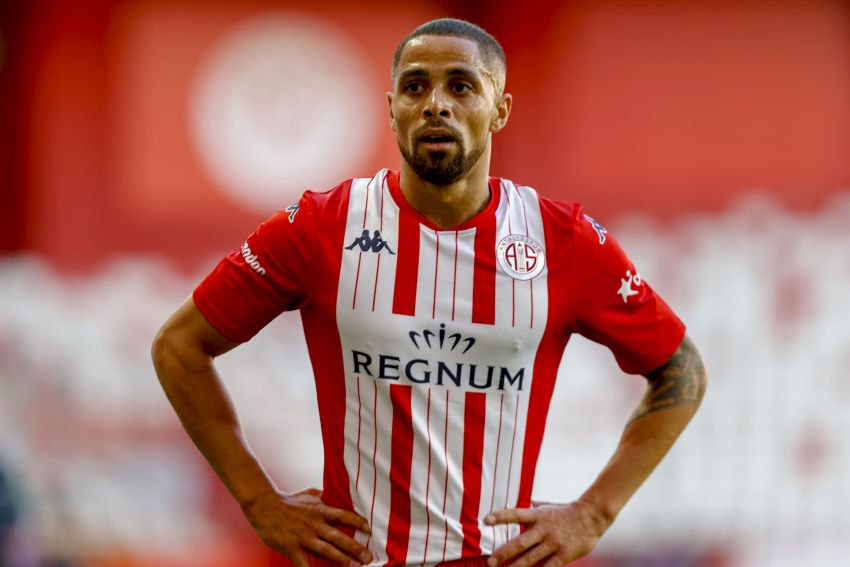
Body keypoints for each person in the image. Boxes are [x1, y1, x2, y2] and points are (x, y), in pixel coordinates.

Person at [152, 17, 707, 567]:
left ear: (500, 110)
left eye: (461, 86)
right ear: (392, 108)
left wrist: (594, 514)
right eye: (415, 87)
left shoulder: (562, 240)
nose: (436, 105)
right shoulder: (322, 226)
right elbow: (179, 347)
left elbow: (681, 371)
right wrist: (258, 502)